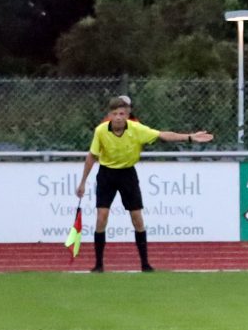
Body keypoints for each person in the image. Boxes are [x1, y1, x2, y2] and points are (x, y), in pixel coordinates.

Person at [74, 95, 213, 272]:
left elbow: (163, 135)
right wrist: (83, 182)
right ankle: (99, 265)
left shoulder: (137, 129)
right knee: (101, 217)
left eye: (122, 113)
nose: (118, 117)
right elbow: (92, 156)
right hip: (106, 174)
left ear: (127, 114)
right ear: (109, 115)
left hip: (127, 174)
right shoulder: (101, 131)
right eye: (115, 113)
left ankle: (145, 264)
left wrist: (190, 137)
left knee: (137, 219)